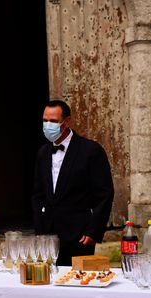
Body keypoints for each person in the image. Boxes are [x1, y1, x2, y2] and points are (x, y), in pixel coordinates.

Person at [32, 99, 114, 266]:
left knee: (79, 284)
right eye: (45, 120)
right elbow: (38, 193)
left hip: (79, 236)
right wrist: (39, 229)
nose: (48, 125)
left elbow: (104, 194)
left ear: (67, 121)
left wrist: (94, 231)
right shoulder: (43, 152)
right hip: (47, 237)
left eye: (53, 121)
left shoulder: (91, 151)